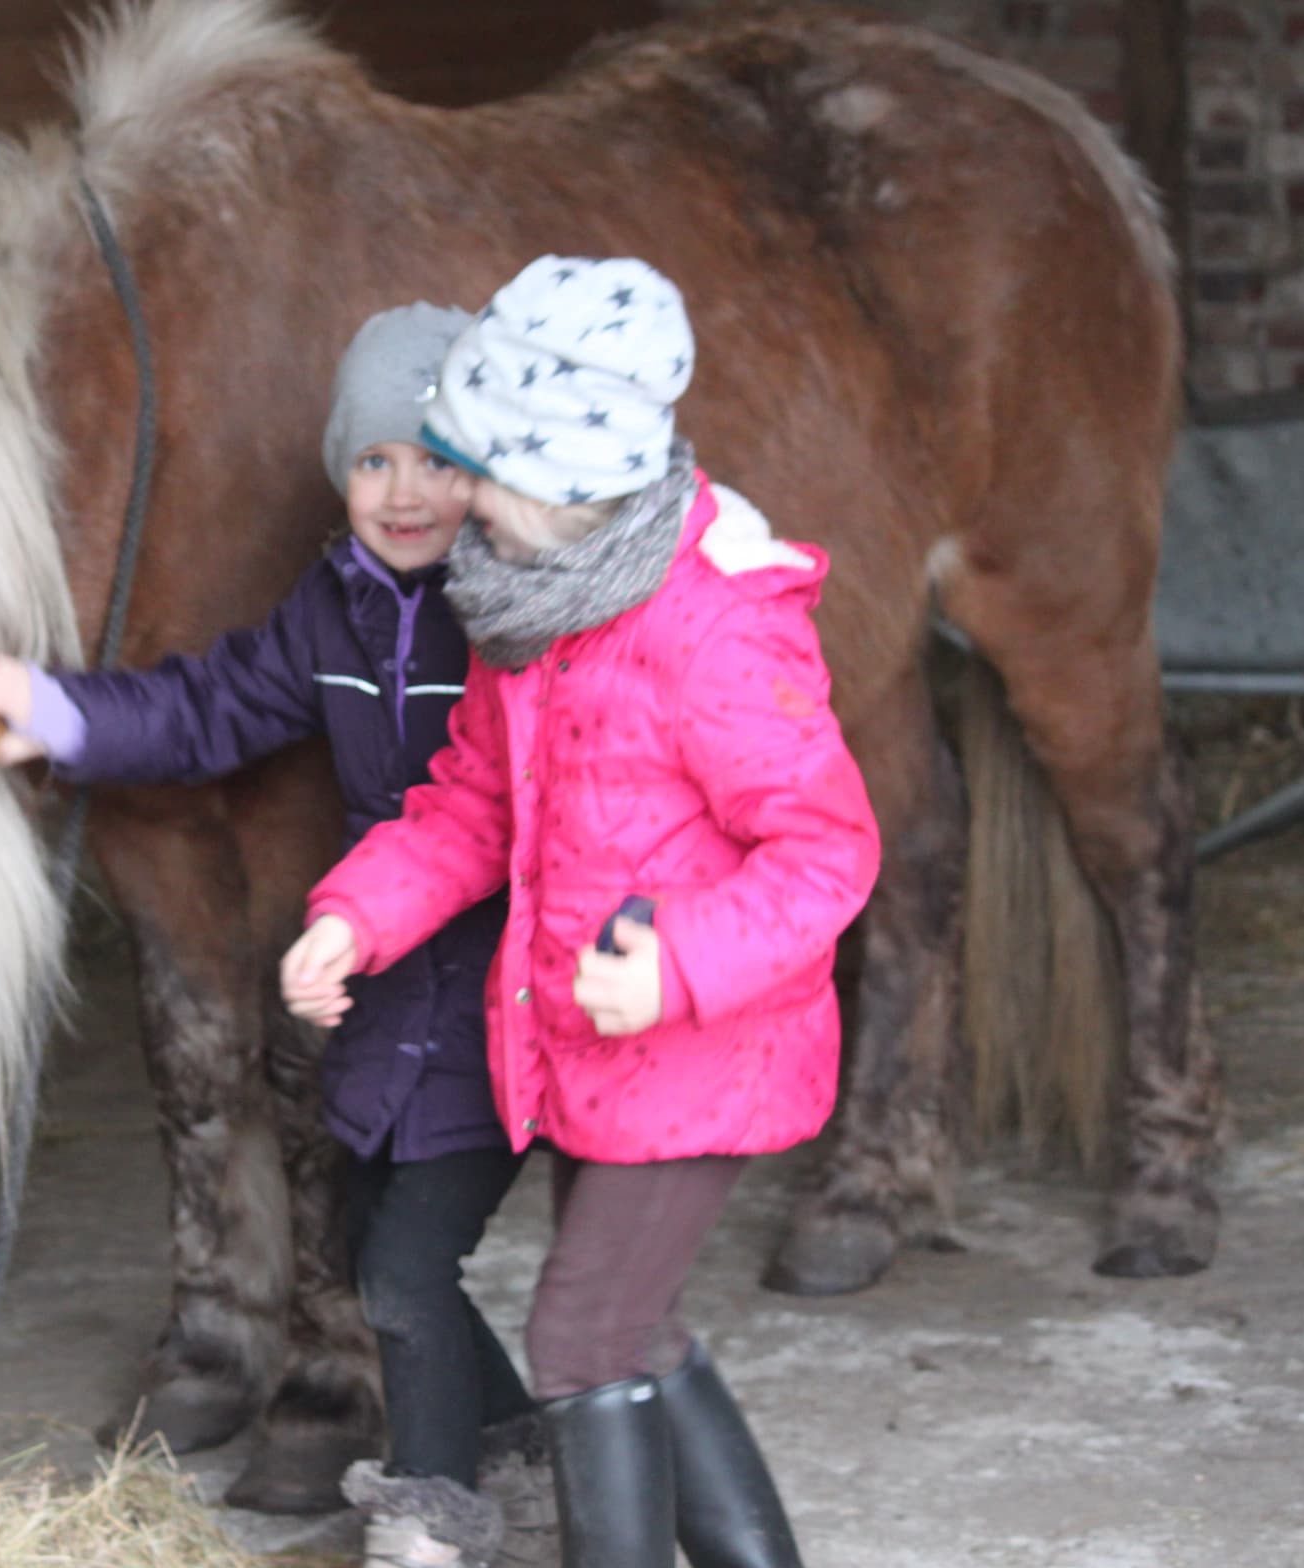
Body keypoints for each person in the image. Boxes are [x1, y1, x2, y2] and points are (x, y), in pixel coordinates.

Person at [279, 256, 883, 1568]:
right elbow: (473, 805)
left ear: (560, 482)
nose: (450, 495)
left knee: (581, 1342)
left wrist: (674, 970)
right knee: (637, 1335)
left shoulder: (713, 636)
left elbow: (827, 854)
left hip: (702, 1055)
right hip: (597, 1060)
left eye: (473, 469)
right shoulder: (536, 613)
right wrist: (358, 916)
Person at [0, 304, 530, 1568]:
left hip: (501, 992)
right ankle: (521, 1449)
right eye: (373, 459)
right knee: (386, 1243)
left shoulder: (511, 616)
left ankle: (431, 1512)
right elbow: (208, 705)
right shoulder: (333, 610)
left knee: (404, 1265)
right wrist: (58, 713)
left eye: (437, 458)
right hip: (385, 990)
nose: (402, 490)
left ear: (489, 469)